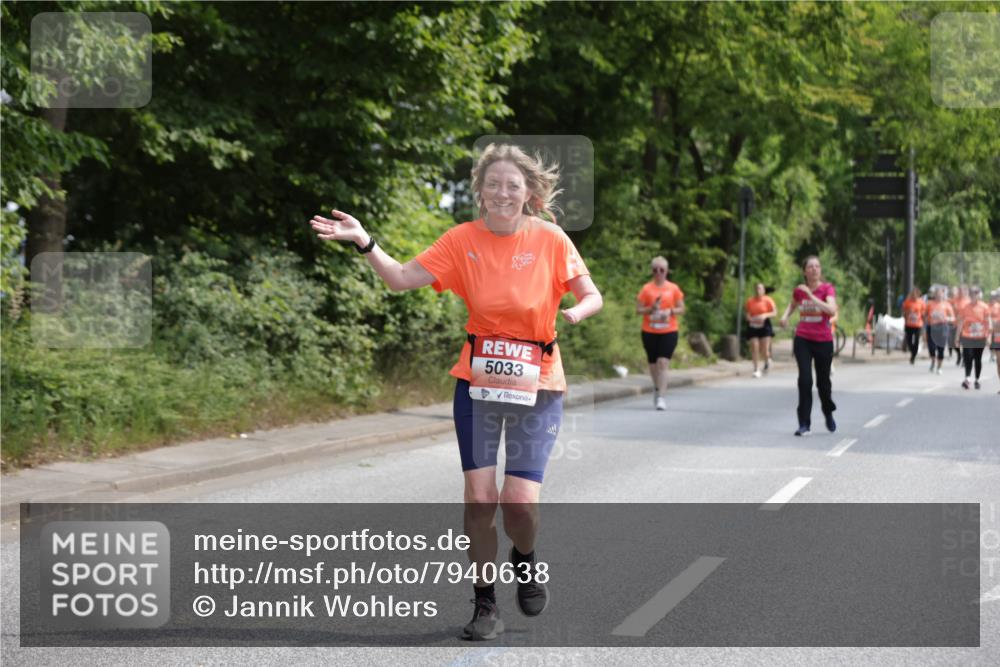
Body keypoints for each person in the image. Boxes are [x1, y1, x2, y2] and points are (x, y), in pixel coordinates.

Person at [309, 143, 603, 640]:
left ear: (528, 193)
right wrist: (365, 242)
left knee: (519, 505)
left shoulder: (551, 239)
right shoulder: (461, 240)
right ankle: (485, 603)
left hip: (540, 384)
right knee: (479, 499)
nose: (503, 193)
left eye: (513, 186)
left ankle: (525, 558)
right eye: (494, 185)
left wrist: (575, 311)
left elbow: (591, 293)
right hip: (478, 383)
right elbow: (401, 278)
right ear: (480, 193)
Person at [780, 256, 838, 436]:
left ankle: (828, 412)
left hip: (823, 340)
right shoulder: (799, 290)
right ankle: (804, 423)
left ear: (820, 270)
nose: (814, 269)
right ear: (805, 271)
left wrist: (812, 296)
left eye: (817, 266)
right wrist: (785, 316)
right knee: (805, 381)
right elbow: (793, 304)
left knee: (823, 383)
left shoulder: (827, 289)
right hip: (803, 339)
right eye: (810, 267)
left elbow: (831, 310)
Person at [636, 256, 685, 410]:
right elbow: (638, 309)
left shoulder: (673, 288)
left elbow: (682, 308)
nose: (658, 273)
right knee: (653, 365)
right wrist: (651, 309)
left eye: (661, 270)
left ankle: (661, 397)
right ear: (652, 271)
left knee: (662, 362)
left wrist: (669, 311)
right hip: (649, 330)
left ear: (666, 271)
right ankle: (657, 389)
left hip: (669, 330)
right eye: (655, 270)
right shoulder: (646, 289)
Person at [955, 286, 990, 390]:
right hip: (967, 336)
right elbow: (960, 323)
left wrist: (988, 336)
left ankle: (977, 379)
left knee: (977, 359)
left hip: (980, 337)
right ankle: (967, 378)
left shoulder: (984, 307)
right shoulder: (965, 307)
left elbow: (987, 323)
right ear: (970, 295)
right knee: (968, 357)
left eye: (976, 293)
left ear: (979, 295)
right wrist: (957, 337)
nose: (974, 295)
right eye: (972, 293)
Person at [745, 282, 777, 377]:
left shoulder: (768, 300)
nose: (758, 290)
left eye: (760, 288)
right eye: (756, 288)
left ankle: (767, 360)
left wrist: (765, 315)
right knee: (754, 347)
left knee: (764, 349)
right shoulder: (750, 301)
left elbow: (774, 313)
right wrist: (749, 318)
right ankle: (756, 369)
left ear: (763, 290)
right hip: (753, 325)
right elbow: (747, 313)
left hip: (765, 325)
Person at [925, 286, 955, 375]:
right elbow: (925, 316)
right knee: (931, 347)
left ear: (943, 295)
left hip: (942, 327)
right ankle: (933, 360)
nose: (938, 296)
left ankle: (939, 367)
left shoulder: (947, 305)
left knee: (941, 348)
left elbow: (953, 318)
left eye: (940, 294)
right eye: (936, 294)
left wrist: (946, 318)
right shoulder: (929, 304)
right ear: (934, 295)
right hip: (931, 327)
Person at [902, 286, 926, 365]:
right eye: (913, 294)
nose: (914, 296)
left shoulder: (921, 302)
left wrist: (924, 322)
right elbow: (904, 312)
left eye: (916, 294)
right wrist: (905, 319)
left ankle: (913, 356)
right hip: (909, 324)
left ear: (918, 295)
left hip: (918, 324)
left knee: (916, 341)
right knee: (909, 341)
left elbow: (923, 314)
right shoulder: (907, 302)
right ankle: (912, 351)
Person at [950, 285, 969, 366]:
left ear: (965, 291)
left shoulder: (968, 301)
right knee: (953, 343)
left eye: (962, 291)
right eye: (959, 290)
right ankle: (959, 355)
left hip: (965, 326)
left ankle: (964, 359)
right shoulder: (953, 301)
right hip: (954, 324)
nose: (961, 292)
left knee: (964, 343)